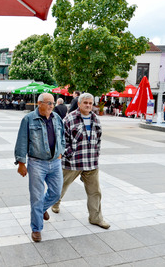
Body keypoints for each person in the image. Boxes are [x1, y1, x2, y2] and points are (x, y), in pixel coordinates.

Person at [52, 93, 110, 230]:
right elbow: (61, 141)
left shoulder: (95, 119)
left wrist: (96, 155)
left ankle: (96, 218)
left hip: (91, 163)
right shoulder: (69, 119)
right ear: (79, 104)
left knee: (95, 192)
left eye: (90, 103)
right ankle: (55, 203)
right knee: (61, 186)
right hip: (73, 162)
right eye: (85, 103)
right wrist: (69, 154)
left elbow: (98, 139)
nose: (88, 105)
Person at [14, 93, 65, 242]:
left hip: (55, 162)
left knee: (56, 193)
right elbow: (22, 141)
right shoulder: (28, 119)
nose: (51, 106)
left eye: (53, 103)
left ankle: (42, 209)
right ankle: (36, 228)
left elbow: (62, 136)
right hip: (37, 163)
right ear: (39, 103)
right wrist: (21, 163)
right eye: (48, 103)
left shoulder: (56, 118)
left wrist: (61, 152)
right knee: (36, 197)